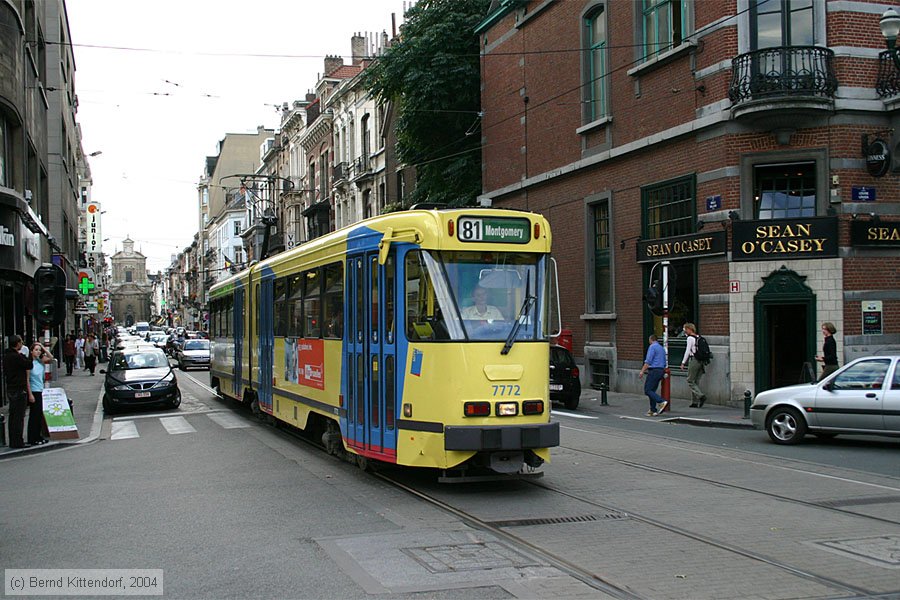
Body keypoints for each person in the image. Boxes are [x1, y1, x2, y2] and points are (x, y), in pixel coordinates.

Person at [4, 335, 34, 448]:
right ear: (17, 344)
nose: (22, 344)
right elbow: (29, 364)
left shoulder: (7, 356)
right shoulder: (16, 357)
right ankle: (18, 441)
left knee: (13, 416)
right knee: (18, 416)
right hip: (18, 388)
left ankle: (13, 440)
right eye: (20, 342)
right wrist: (27, 356)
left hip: (11, 388)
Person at [27, 342, 52, 446]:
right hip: (34, 390)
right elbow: (27, 379)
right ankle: (32, 438)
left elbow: (50, 357)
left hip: (40, 390)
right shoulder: (29, 363)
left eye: (39, 350)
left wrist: (42, 347)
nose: (38, 352)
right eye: (36, 350)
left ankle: (38, 436)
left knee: (38, 415)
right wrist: (30, 394)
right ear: (31, 351)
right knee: (34, 415)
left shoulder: (39, 361)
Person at [638, 334, 668, 416]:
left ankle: (661, 401)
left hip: (654, 370)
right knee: (652, 390)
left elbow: (648, 361)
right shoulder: (661, 348)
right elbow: (664, 361)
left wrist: (642, 371)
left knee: (647, 390)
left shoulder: (652, 347)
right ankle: (653, 409)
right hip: (660, 370)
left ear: (651, 340)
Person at [680, 322, 707, 408]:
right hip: (701, 361)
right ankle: (694, 402)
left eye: (685, 329)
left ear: (689, 329)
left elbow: (688, 351)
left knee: (690, 380)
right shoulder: (699, 337)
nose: (684, 331)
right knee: (695, 382)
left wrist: (683, 362)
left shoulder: (690, 338)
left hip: (694, 360)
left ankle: (700, 396)